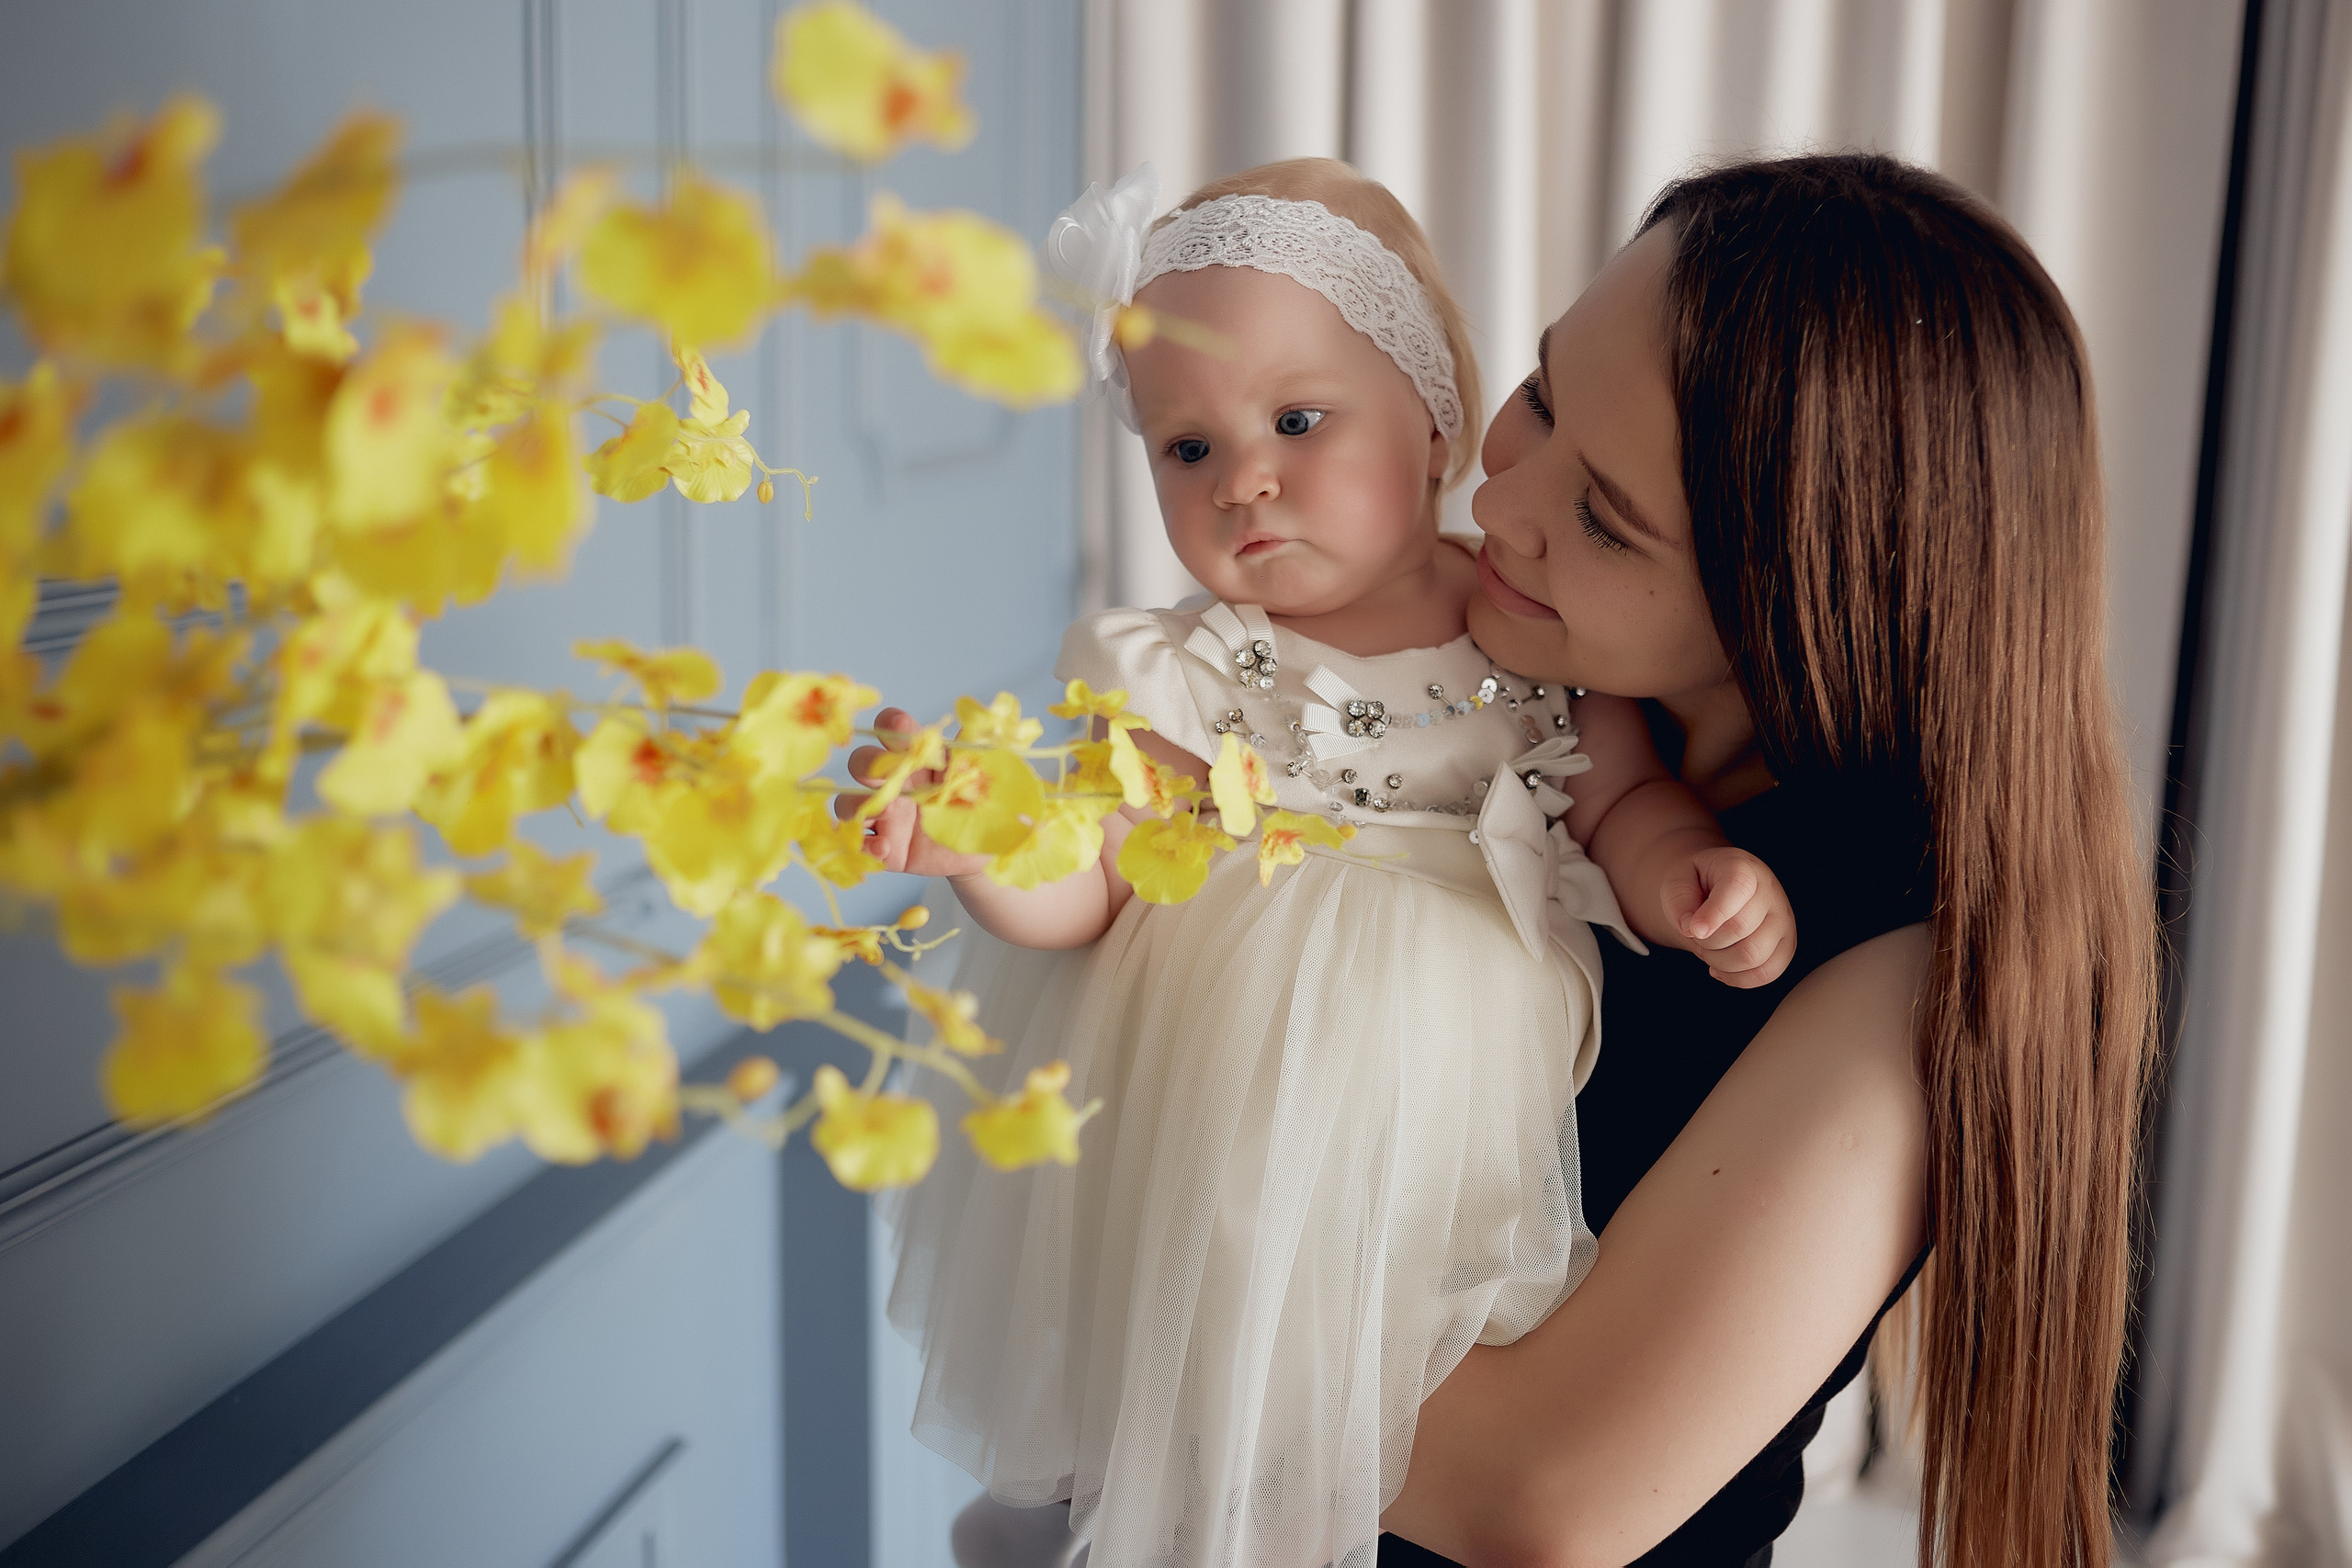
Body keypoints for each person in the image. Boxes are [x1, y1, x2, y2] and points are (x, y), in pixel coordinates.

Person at [851, 159, 1800, 1568]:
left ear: (1434, 426)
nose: (1243, 479)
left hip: (1442, 1099)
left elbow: (1622, 803)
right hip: (1212, 1112)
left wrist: (1691, 881)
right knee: (1194, 1396)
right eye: (1186, 448)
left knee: (1385, 1380)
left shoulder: (1522, 636)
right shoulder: (1186, 668)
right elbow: (1103, 865)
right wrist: (986, 842)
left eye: (1298, 419)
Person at [1375, 153, 2156, 1566]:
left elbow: (1536, 1501)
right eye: (1544, 392)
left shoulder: (1902, 965)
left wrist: (1137, 1258)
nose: (1500, 506)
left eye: (1606, 519)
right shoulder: (1520, 677)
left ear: (1802, 595)